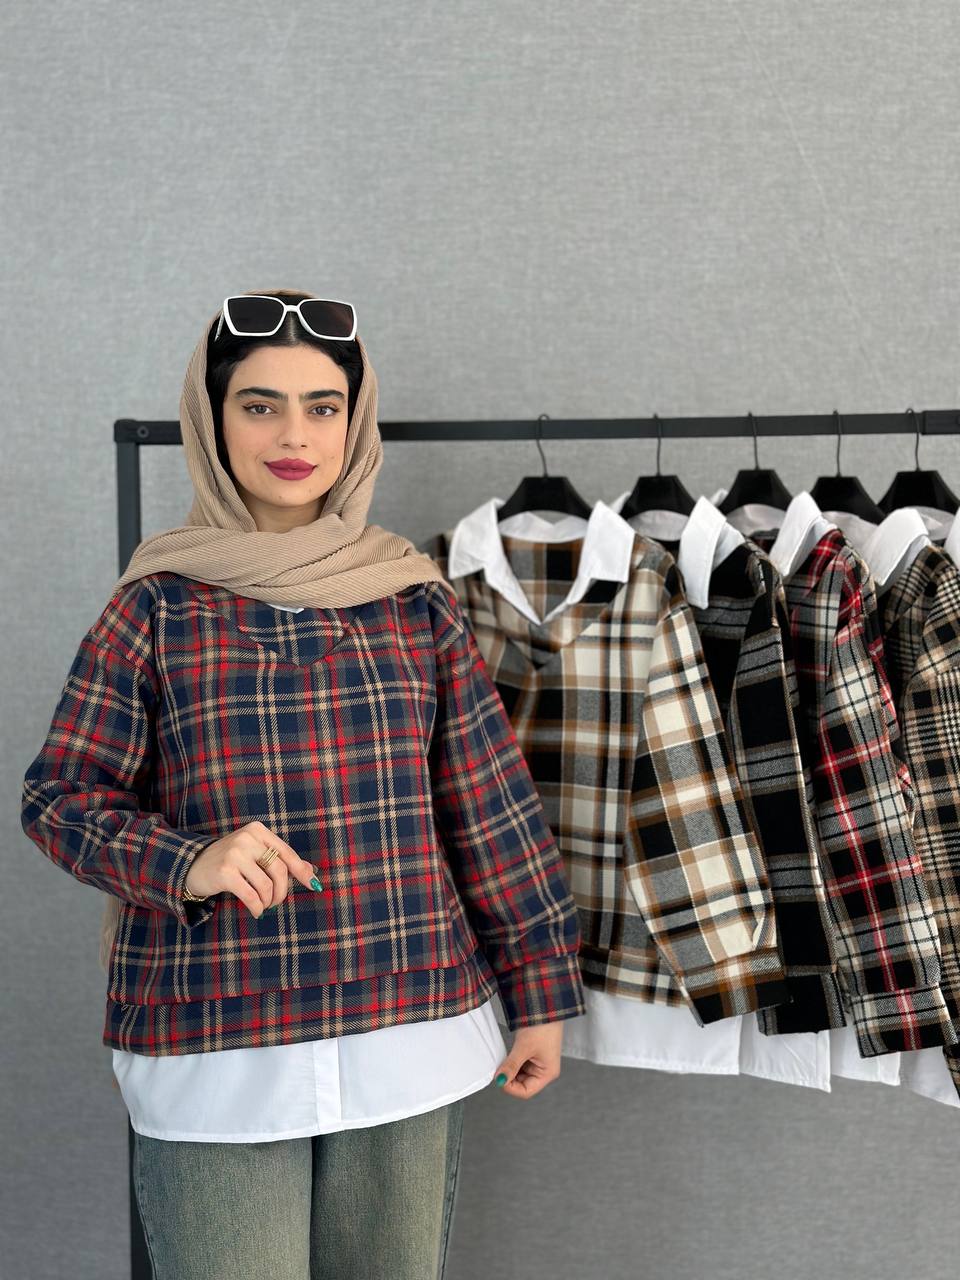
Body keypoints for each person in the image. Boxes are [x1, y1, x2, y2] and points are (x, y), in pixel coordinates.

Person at [20, 287, 587, 1279]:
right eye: (260, 405)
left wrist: (539, 990)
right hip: (215, 1043)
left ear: (354, 424)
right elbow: (59, 797)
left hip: (409, 1033)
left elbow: (488, 809)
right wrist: (188, 860)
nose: (294, 436)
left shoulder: (413, 603)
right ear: (213, 419)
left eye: (323, 406)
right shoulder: (156, 607)